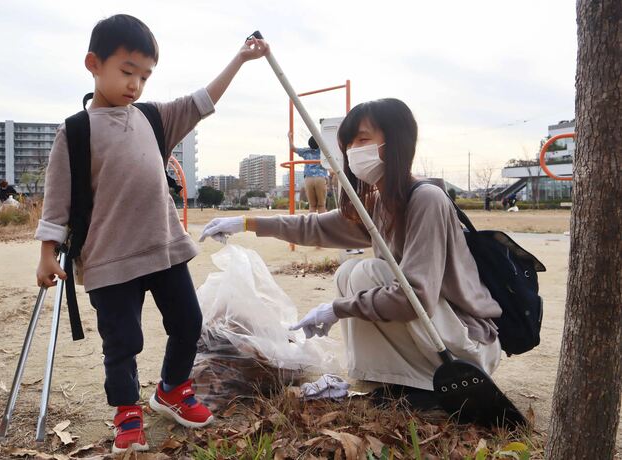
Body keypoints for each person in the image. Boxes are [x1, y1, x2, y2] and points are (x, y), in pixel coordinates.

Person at [34, 14, 269, 454]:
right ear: (93, 63)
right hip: (109, 259)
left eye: (144, 76)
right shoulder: (76, 131)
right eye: (127, 72)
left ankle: (172, 390)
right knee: (122, 342)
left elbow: (201, 101)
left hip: (164, 249)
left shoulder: (152, 118)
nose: (135, 85)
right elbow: (57, 200)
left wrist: (239, 59)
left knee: (188, 322)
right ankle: (126, 411)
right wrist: (48, 253)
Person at [200, 98, 502, 407]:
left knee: (368, 274)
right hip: (438, 332)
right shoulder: (378, 204)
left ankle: (430, 382)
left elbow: (415, 297)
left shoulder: (426, 200)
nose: (353, 150)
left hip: (466, 344)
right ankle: (394, 380)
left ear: (395, 141)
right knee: (350, 273)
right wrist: (246, 222)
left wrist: (337, 308)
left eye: (363, 139)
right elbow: (313, 226)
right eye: (349, 143)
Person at [289, 132, 329, 214]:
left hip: (308, 179)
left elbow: (293, 148)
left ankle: (311, 224)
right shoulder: (323, 152)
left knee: (312, 205)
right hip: (320, 178)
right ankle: (322, 224)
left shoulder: (306, 151)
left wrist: (289, 138)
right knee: (321, 205)